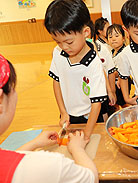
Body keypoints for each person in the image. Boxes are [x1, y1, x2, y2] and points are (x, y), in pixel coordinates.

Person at [0, 43, 98, 183]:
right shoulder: (46, 167)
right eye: (13, 89)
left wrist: (34, 143)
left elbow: (1, 163)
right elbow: (90, 181)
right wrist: (77, 148)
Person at [44, 0, 107, 140]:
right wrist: (63, 112)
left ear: (85, 32)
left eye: (69, 42)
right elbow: (57, 82)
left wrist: (86, 136)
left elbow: (96, 105)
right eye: (57, 41)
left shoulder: (94, 64)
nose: (64, 47)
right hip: (68, 116)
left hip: (90, 118)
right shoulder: (57, 53)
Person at [107, 24, 132, 111]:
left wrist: (109, 74)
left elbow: (119, 71)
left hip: (122, 83)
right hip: (113, 83)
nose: (113, 39)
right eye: (110, 37)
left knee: (124, 104)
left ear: (123, 38)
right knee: (115, 104)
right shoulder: (111, 52)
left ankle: (131, 116)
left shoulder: (124, 52)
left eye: (117, 36)